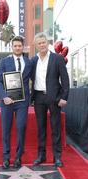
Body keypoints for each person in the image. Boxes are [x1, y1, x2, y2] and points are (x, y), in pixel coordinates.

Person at [31, 32, 69, 167]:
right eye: (39, 43)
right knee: (41, 128)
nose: (42, 45)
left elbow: (65, 79)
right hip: (38, 97)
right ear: (36, 45)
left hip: (54, 97)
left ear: (47, 43)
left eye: (44, 42)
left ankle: (57, 157)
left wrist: (64, 97)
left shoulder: (57, 58)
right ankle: (41, 156)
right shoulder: (33, 60)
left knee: (55, 127)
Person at [0, 36, 32, 169]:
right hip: (7, 101)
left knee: (21, 127)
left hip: (22, 101)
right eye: (15, 46)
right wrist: (4, 96)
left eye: (19, 46)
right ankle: (6, 157)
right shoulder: (4, 62)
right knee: (6, 129)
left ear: (23, 47)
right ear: (12, 47)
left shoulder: (28, 62)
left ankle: (18, 157)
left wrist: (32, 97)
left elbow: (34, 79)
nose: (17, 48)